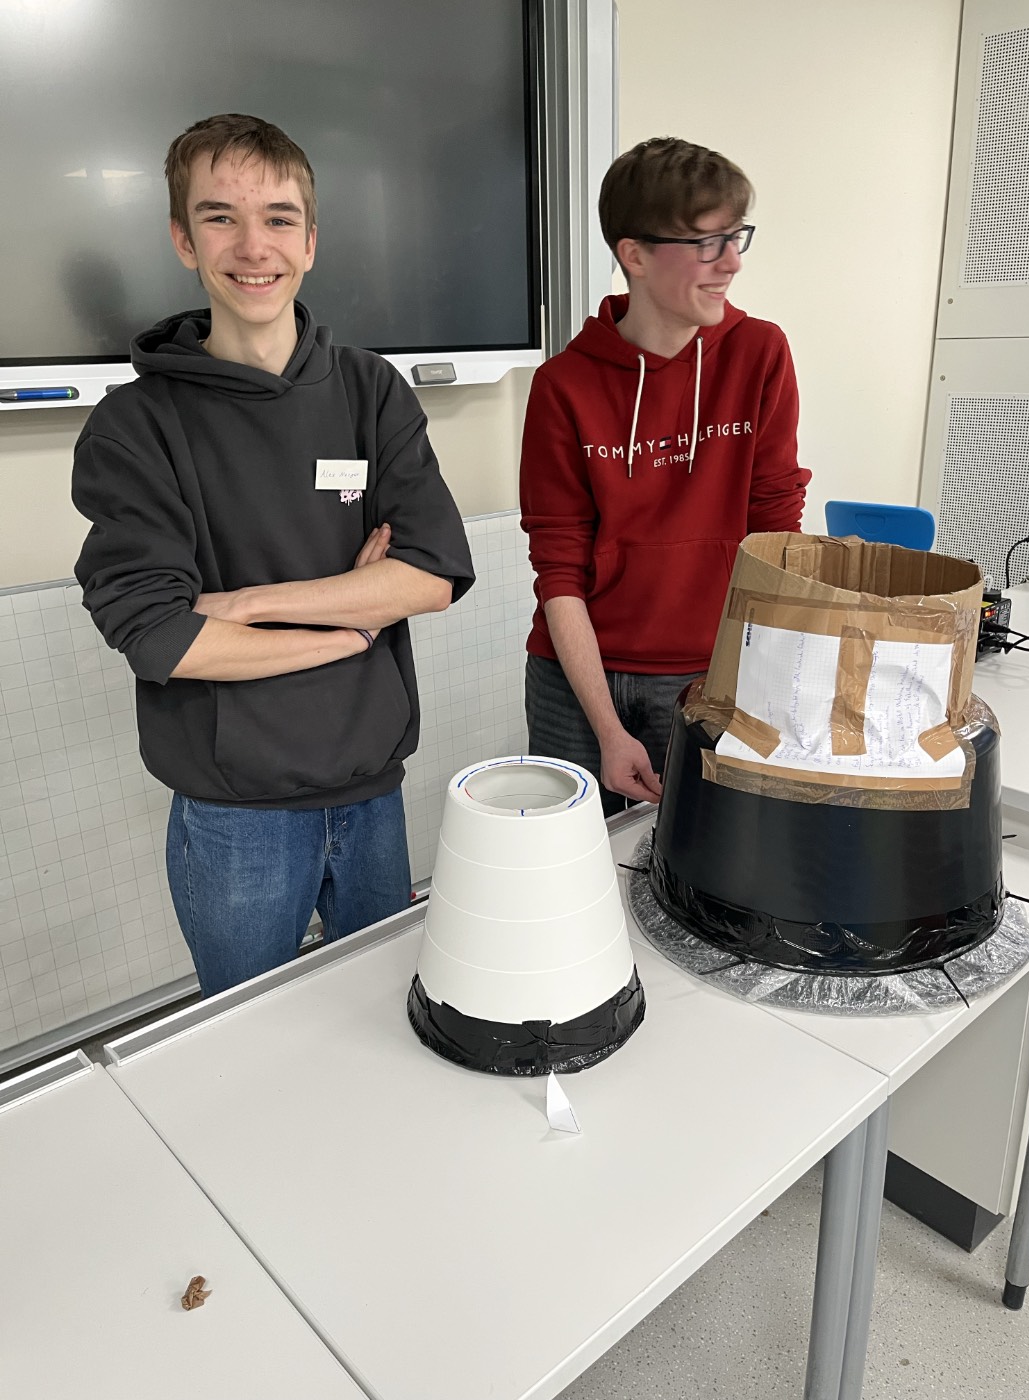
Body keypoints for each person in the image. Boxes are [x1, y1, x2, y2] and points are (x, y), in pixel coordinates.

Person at [72, 113, 474, 996]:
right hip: (235, 820)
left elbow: (432, 576)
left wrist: (249, 605)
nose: (254, 247)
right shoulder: (134, 427)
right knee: (247, 1043)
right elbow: (163, 638)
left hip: (372, 795)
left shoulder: (370, 390)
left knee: (383, 1017)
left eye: (279, 219)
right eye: (220, 217)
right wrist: (349, 626)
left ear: (311, 240)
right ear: (183, 240)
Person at [519, 136, 806, 816]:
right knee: (578, 862)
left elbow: (775, 533)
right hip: (573, 679)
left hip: (706, 675)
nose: (732, 262)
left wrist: (768, 687)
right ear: (636, 255)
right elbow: (559, 568)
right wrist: (607, 728)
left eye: (736, 237)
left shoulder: (759, 353)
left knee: (693, 864)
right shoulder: (563, 385)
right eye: (708, 243)